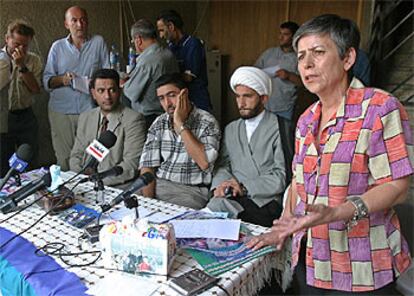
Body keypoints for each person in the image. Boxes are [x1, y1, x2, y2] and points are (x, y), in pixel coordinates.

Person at [247, 14, 413, 295]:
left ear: (347, 58)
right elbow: (298, 183)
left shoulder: (380, 108)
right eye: (301, 57)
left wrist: (337, 212)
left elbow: (397, 188)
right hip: (312, 259)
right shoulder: (306, 119)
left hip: (362, 265)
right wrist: (284, 227)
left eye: (318, 53)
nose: (306, 65)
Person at [207, 66, 286, 227]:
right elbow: (223, 165)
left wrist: (244, 187)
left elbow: (282, 175)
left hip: (265, 201)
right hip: (233, 196)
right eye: (237, 97)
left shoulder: (280, 128)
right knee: (217, 206)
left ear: (263, 98)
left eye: (248, 97)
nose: (241, 103)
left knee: (215, 211)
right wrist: (219, 187)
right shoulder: (231, 129)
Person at [139, 73, 221, 209]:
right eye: (161, 98)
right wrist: (149, 203)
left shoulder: (207, 121)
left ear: (185, 94)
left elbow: (204, 162)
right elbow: (148, 166)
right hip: (159, 185)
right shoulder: (159, 122)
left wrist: (180, 124)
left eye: (172, 95)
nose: (167, 104)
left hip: (191, 191)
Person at [43, 6, 109, 171]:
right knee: (64, 158)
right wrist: (63, 79)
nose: (79, 24)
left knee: (92, 157)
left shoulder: (98, 42)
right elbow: (47, 81)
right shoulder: (57, 47)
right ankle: (67, 195)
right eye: (74, 20)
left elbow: (108, 72)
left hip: (90, 110)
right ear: (66, 24)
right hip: (61, 111)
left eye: (83, 20)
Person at [69, 69, 146, 187]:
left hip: (117, 185)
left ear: (120, 92)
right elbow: (76, 156)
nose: (107, 96)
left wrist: (97, 182)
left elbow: (131, 165)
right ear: (93, 93)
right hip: (84, 183)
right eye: (101, 91)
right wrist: (81, 178)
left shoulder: (134, 120)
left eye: (112, 90)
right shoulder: (86, 117)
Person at [255, 21, 302, 182]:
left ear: (294, 37)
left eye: (285, 34)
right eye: (280, 33)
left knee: (285, 144)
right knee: (264, 142)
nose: (281, 37)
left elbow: (305, 82)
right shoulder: (269, 53)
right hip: (266, 106)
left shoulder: (299, 57)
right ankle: (265, 175)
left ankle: (286, 179)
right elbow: (255, 72)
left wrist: (289, 76)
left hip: (285, 107)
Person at [0, 20, 42, 177]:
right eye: (16, 43)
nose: (20, 49)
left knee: (30, 160)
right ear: (7, 39)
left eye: (25, 45)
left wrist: (22, 66)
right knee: (5, 163)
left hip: (25, 115)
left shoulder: (34, 60)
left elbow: (36, 89)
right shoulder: (0, 60)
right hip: (4, 118)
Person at [123, 19, 178, 129]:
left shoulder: (147, 61)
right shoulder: (168, 54)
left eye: (133, 42)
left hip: (149, 118)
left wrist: (124, 84)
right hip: (170, 113)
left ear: (138, 40)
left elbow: (131, 93)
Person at [157, 10, 212, 112]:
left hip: (196, 99)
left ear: (171, 27)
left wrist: (165, 77)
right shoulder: (171, 47)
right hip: (180, 100)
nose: (161, 36)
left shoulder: (193, 44)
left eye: (161, 30)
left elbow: (188, 77)